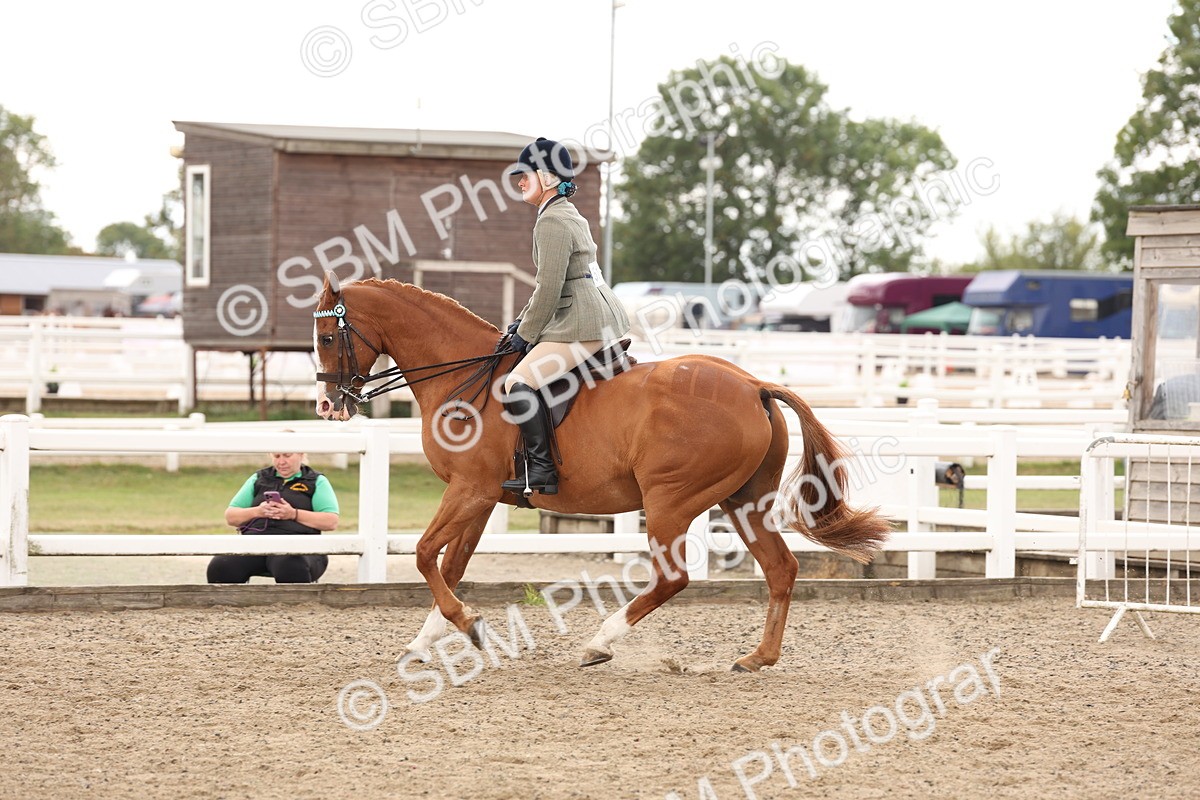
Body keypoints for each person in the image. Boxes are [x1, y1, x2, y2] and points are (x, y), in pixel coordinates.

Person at [498, 137, 631, 497]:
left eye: (524, 175)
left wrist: (524, 335)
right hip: (596, 314)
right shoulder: (568, 213)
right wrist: (520, 323)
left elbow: (549, 288)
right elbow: (553, 285)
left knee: (517, 382)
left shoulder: (552, 222)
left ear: (546, 177)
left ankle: (540, 469)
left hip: (580, 323)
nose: (519, 182)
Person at [207, 449, 340, 584]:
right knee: (222, 565)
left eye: (287, 456)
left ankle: (294, 605)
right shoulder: (259, 478)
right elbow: (231, 517)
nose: (281, 461)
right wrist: (258, 511)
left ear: (301, 454)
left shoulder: (316, 480)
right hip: (256, 543)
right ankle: (228, 605)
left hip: (299, 546)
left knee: (290, 565)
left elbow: (331, 521)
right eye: (276, 456)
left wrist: (293, 514)